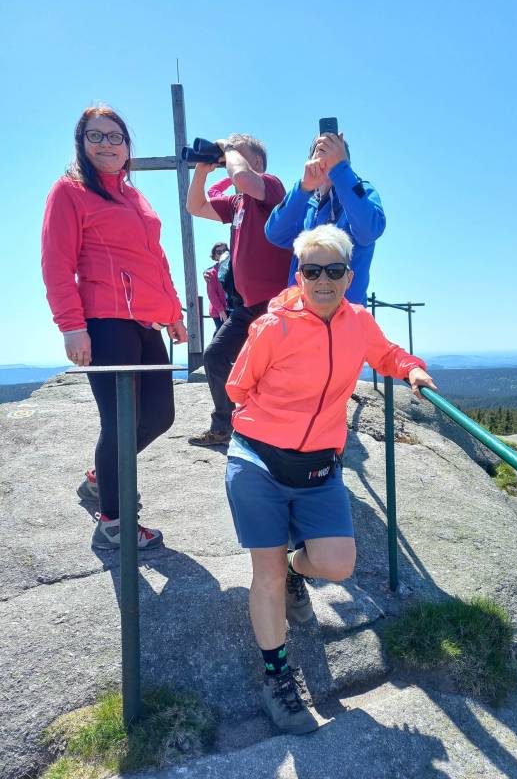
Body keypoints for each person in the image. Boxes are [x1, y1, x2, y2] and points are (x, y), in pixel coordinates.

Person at [224, 224, 437, 734]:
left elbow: (387, 355)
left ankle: (295, 569)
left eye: (334, 270)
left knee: (337, 564)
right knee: (265, 575)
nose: (323, 280)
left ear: (348, 276)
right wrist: (278, 421)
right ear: (299, 275)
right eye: (312, 270)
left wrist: (412, 369)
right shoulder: (272, 327)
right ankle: (278, 679)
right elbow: (237, 388)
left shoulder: (358, 322)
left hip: (318, 466)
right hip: (258, 461)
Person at [41, 106, 188, 551]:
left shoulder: (133, 196)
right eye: (95, 135)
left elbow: (155, 258)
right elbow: (56, 263)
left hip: (145, 322)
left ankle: (99, 478)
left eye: (115, 136)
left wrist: (173, 312)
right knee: (121, 423)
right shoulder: (69, 191)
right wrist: (72, 326)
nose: (106, 144)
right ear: (81, 143)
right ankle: (113, 523)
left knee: (160, 416)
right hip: (105, 321)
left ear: (127, 145)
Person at [186, 133, 291, 447]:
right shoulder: (236, 203)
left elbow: (244, 178)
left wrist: (228, 148)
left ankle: (276, 431)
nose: (229, 158)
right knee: (215, 356)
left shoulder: (272, 186)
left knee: (272, 372)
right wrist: (203, 169)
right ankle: (225, 426)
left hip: (276, 305)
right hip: (247, 305)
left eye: (236, 153)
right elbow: (195, 206)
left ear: (257, 161)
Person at [265, 131, 385, 307]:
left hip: (346, 315)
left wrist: (341, 172)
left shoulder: (362, 190)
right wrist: (304, 187)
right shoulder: (304, 199)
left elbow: (370, 229)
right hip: (302, 314)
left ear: (345, 160)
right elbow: (274, 233)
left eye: (333, 153)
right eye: (321, 151)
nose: (327, 159)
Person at [204, 242, 229, 332]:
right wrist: (221, 310)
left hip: (231, 309)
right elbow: (212, 294)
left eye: (224, 251)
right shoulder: (211, 273)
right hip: (219, 312)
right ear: (215, 256)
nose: (222, 253)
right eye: (219, 252)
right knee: (222, 334)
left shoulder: (233, 268)